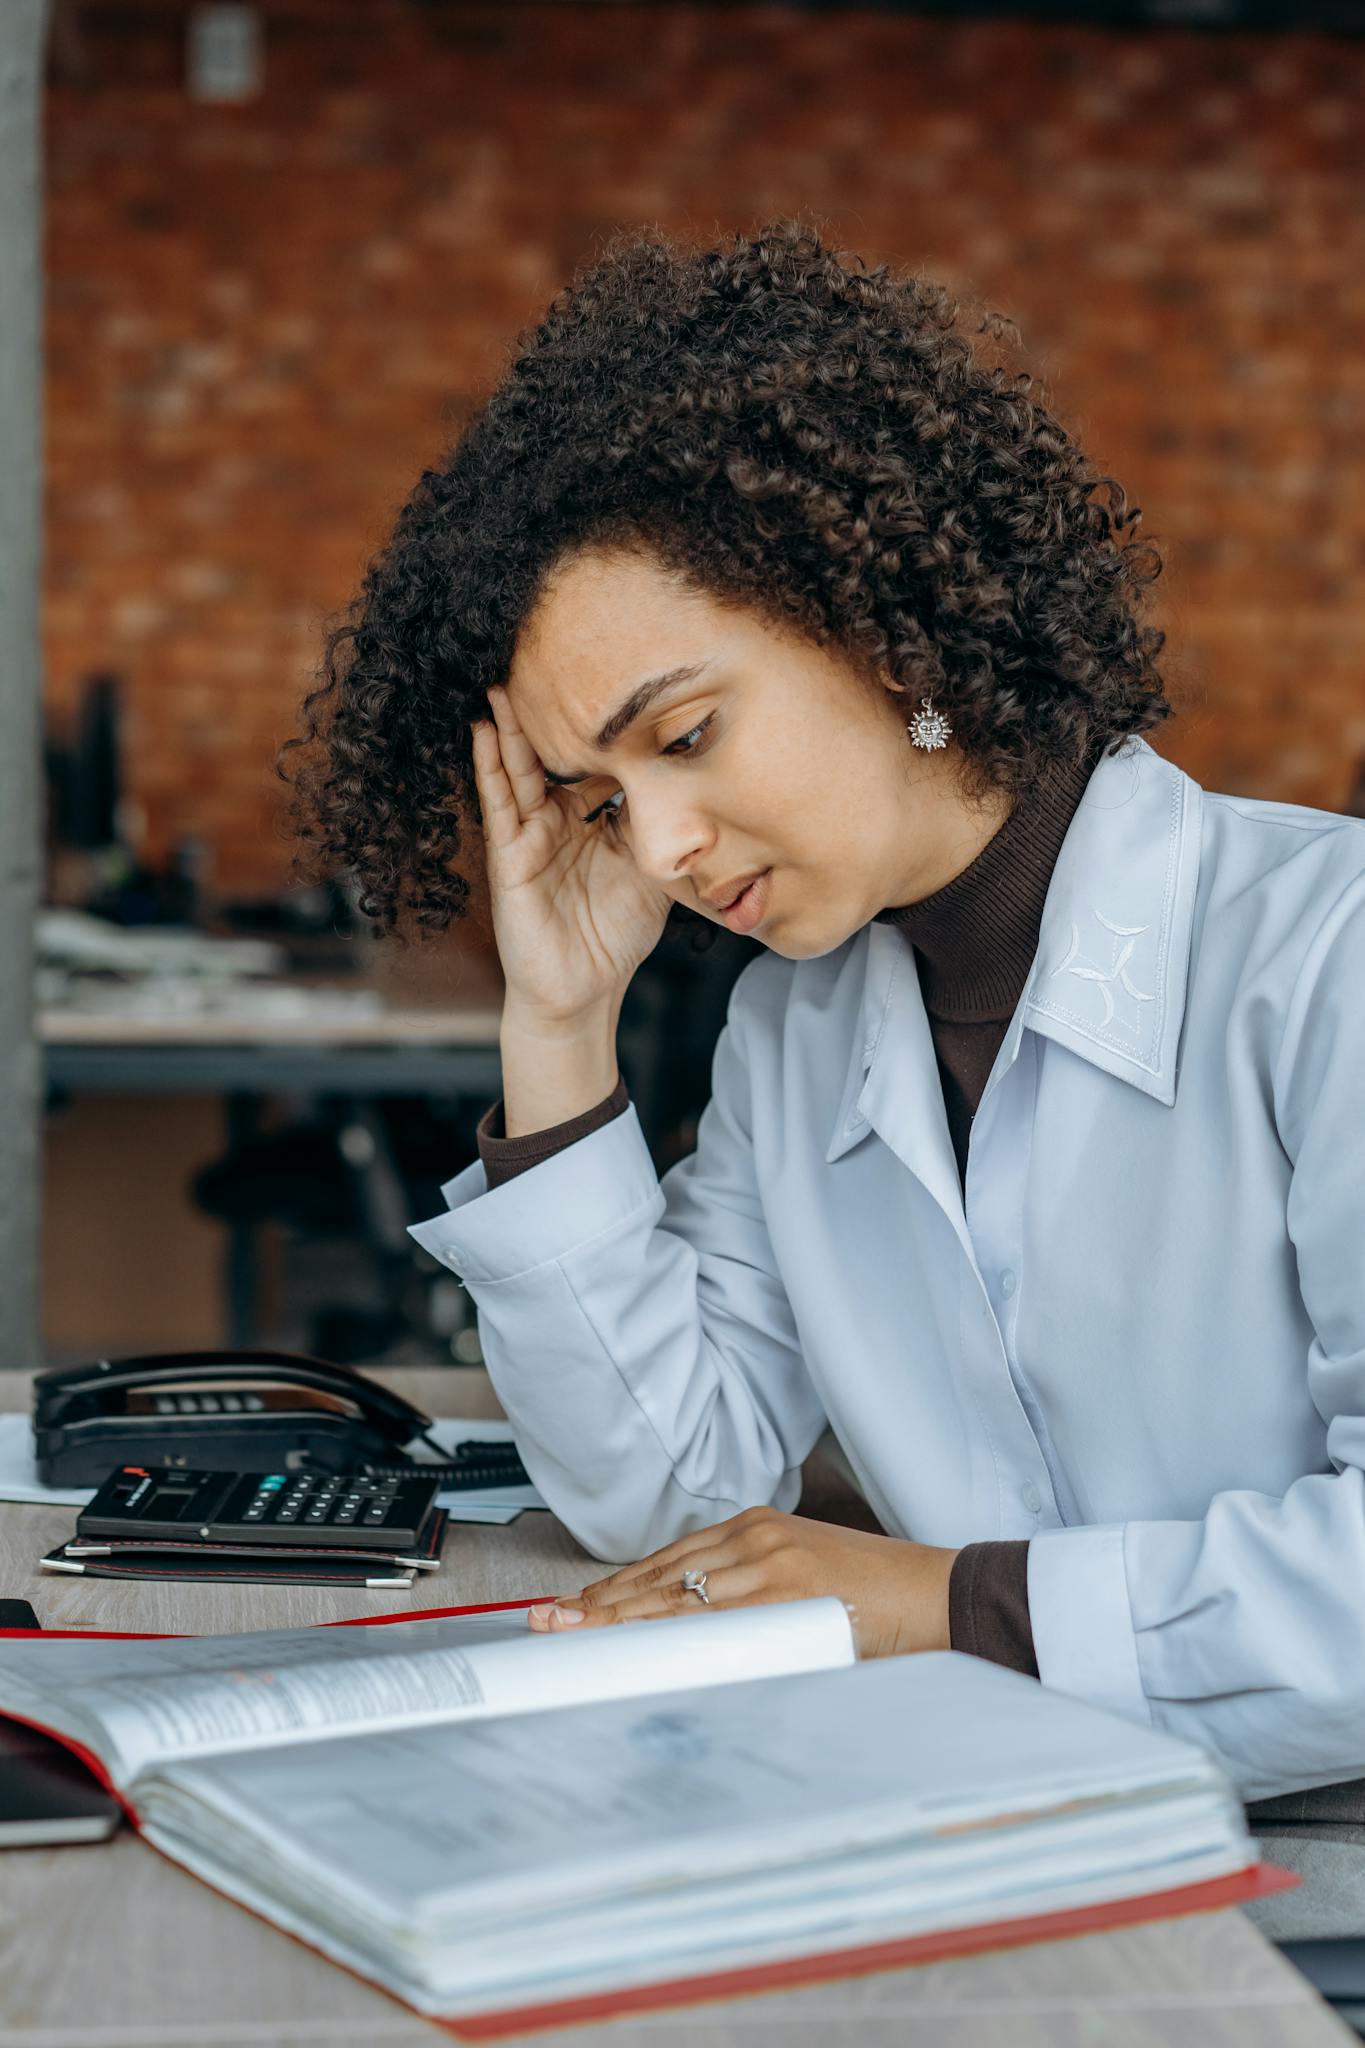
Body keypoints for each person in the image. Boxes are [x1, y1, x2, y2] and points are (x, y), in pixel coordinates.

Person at [288, 223, 1365, 1837]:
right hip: (1007, 1832)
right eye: (598, 800)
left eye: (686, 736)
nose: (654, 849)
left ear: (884, 624)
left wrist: (952, 1606)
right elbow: (668, 1495)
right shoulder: (799, 1029)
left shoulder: (1324, 950)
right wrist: (563, 1020)